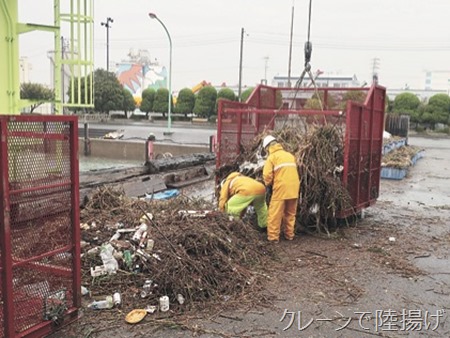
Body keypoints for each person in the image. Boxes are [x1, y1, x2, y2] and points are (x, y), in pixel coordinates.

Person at [262, 135, 300, 243]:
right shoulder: (289, 155)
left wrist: (267, 184)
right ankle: (289, 235)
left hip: (281, 187)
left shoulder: (272, 157)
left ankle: (273, 238)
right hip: (294, 187)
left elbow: (267, 176)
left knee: (275, 213)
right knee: (290, 213)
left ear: (267, 147)